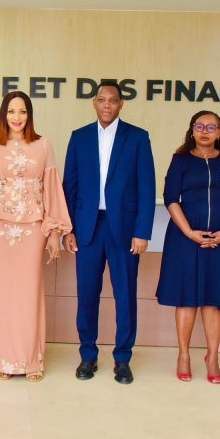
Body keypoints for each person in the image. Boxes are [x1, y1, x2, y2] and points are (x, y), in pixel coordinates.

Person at [0, 91, 72, 381]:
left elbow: (51, 189)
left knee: (28, 294)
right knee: (1, 295)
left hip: (33, 231)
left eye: (22, 111)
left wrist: (54, 233)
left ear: (29, 115)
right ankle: (0, 358)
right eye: (11, 111)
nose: (17, 117)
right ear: (3, 115)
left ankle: (30, 361)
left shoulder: (43, 145)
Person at [63, 81, 156, 384]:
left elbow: (147, 188)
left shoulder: (137, 137)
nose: (106, 105)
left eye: (112, 100)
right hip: (87, 229)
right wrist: (68, 229)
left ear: (120, 104)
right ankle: (87, 355)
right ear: (94, 102)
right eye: (101, 100)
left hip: (124, 230)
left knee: (125, 296)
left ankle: (123, 358)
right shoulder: (79, 137)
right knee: (87, 295)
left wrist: (142, 232)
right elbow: (69, 187)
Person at [156, 110, 220, 384]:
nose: (205, 131)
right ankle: (183, 355)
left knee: (213, 300)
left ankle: (212, 357)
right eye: (200, 126)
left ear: (219, 132)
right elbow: (171, 198)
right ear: (192, 130)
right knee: (186, 299)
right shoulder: (181, 160)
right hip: (185, 239)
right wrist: (188, 232)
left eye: (211, 127)